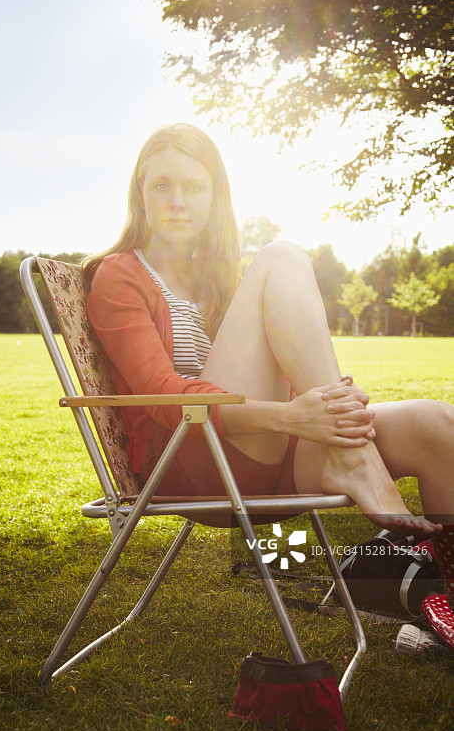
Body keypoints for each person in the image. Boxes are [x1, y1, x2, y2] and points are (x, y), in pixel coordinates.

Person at [83, 123, 454, 614]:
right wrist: (289, 418)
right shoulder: (119, 276)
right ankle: (354, 457)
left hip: (271, 453)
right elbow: (162, 395)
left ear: (215, 198)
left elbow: (285, 367)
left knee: (436, 425)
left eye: (194, 188)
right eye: (162, 186)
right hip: (194, 463)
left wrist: (326, 406)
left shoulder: (218, 279)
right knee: (281, 255)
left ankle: (447, 600)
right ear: (140, 194)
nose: (177, 201)